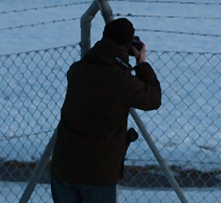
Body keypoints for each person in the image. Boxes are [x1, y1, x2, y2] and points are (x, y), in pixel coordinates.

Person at [50, 17, 161, 202]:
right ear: (127, 45)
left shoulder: (78, 70)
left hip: (64, 167)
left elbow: (97, 65)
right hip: (98, 174)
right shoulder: (121, 80)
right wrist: (141, 62)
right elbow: (153, 99)